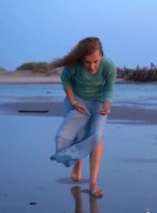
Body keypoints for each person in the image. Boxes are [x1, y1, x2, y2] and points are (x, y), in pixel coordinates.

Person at [50, 37, 116, 198]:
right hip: (77, 100)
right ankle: (77, 163)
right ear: (81, 59)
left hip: (99, 102)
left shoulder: (109, 65)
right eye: (87, 62)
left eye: (95, 61)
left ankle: (93, 183)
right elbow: (66, 80)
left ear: (101, 56)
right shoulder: (74, 65)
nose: (92, 66)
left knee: (97, 135)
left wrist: (107, 104)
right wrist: (72, 101)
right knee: (75, 134)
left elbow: (109, 89)